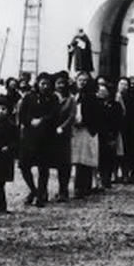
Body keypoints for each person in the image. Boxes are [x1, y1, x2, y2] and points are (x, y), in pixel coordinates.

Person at [16, 72, 59, 207]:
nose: (45, 86)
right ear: (37, 84)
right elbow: (22, 115)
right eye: (42, 83)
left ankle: (41, 194)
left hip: (46, 137)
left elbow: (55, 115)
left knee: (43, 167)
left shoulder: (53, 98)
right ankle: (33, 190)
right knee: (24, 165)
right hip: (30, 137)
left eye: (47, 84)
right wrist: (30, 121)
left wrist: (42, 120)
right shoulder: (29, 97)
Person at [70, 78, 100, 198]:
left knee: (86, 159)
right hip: (77, 130)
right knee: (77, 159)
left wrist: (85, 122)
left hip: (87, 130)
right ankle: (78, 186)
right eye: (80, 80)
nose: (82, 83)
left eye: (85, 81)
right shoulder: (75, 96)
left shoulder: (92, 98)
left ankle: (85, 186)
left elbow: (96, 115)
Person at [51, 74, 76, 202]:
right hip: (51, 133)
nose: (61, 86)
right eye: (58, 83)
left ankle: (63, 190)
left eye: (63, 83)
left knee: (64, 163)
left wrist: (62, 127)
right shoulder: (52, 97)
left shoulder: (71, 99)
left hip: (64, 134)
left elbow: (72, 116)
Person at [96, 78, 123, 191]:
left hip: (110, 134)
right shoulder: (96, 105)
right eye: (99, 91)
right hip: (99, 134)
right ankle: (100, 179)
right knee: (100, 157)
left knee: (109, 157)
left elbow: (118, 121)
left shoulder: (115, 105)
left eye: (104, 91)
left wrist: (113, 135)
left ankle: (107, 178)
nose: (101, 93)